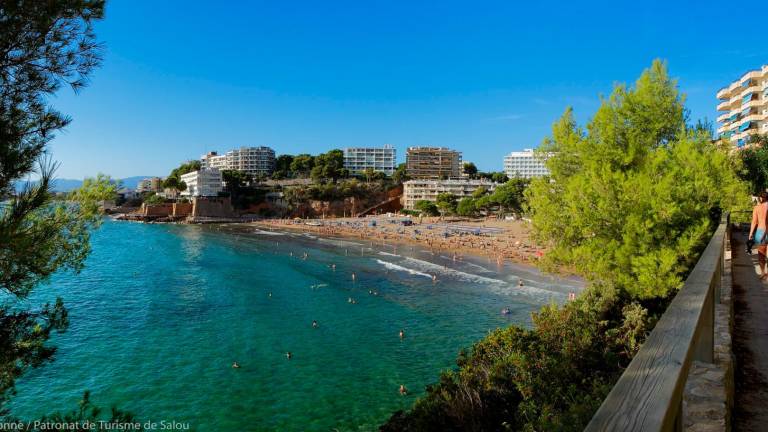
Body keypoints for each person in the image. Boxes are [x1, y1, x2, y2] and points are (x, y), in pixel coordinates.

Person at [750, 191, 768, 279]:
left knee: (761, 254)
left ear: (761, 198)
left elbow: (754, 222)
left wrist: (750, 233)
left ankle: (763, 272)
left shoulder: (757, 208)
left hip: (761, 232)